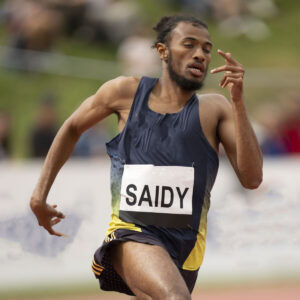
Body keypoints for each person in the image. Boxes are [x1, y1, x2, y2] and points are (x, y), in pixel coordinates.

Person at [30, 15, 263, 300]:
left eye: (206, 48)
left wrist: (238, 103)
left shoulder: (216, 108)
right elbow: (71, 128)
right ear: (163, 51)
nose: (200, 54)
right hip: (131, 233)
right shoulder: (125, 92)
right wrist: (38, 196)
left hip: (186, 249)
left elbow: (251, 179)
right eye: (189, 45)